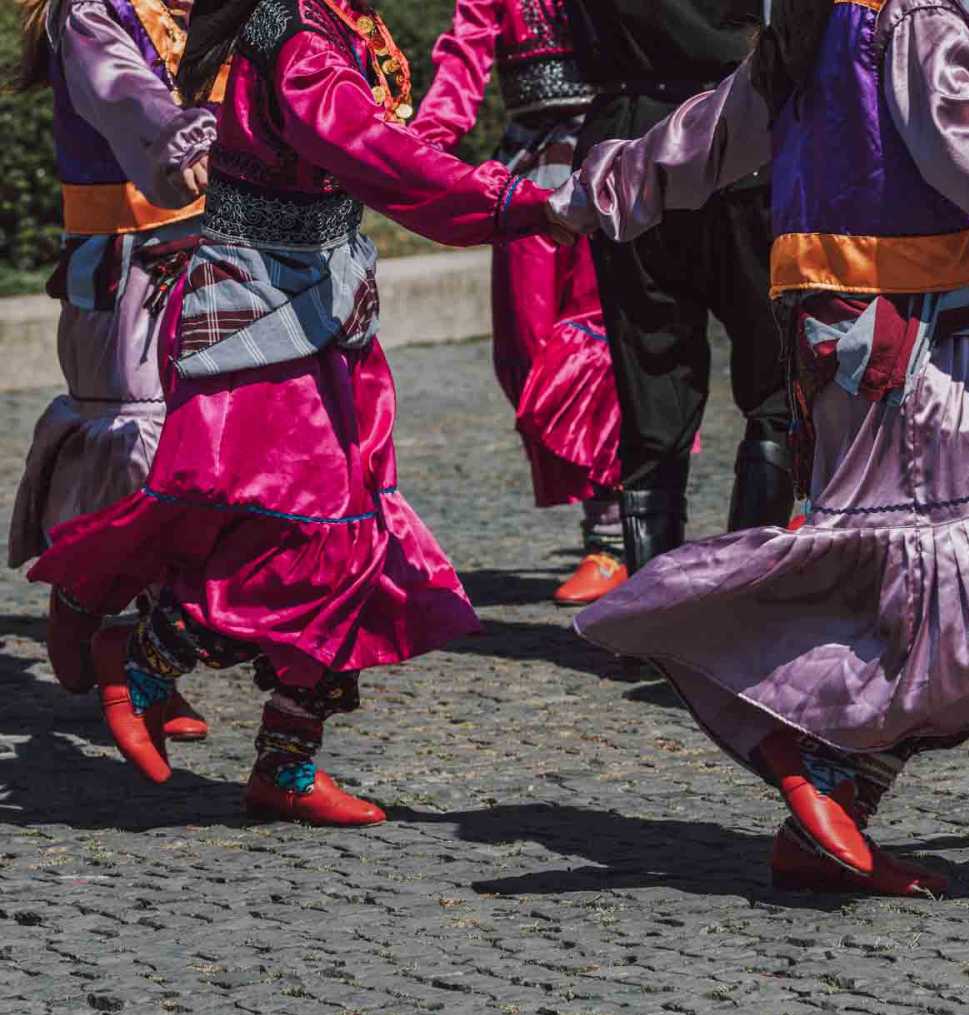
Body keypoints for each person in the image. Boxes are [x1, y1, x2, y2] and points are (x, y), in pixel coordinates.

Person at [550, 0, 969, 896]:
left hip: (871, 333)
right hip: (912, 337)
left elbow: (713, 132)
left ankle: (835, 799)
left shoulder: (821, 16)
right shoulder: (903, 19)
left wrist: (592, 191)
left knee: (941, 578)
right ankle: (799, 739)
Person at [27, 0, 568, 825]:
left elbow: (396, 145)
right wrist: (515, 203)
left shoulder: (338, 20)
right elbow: (368, 149)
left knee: (352, 534)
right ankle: (142, 649)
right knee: (296, 525)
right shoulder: (289, 27)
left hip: (328, 298)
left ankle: (284, 759)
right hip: (256, 314)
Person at [9, 0, 215, 741]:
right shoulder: (93, 11)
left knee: (204, 453)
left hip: (220, 260)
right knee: (134, 445)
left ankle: (149, 661)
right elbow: (125, 93)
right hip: (126, 269)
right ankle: (87, 602)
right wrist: (183, 137)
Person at [566, 0, 795, 581]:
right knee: (774, 384)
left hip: (633, 136)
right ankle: (744, 598)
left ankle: (655, 604)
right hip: (738, 131)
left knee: (652, 381)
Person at [409, 0, 628, 606]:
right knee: (531, 346)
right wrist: (422, 149)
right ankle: (617, 525)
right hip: (528, 169)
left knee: (604, 343)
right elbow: (463, 59)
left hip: (613, 155)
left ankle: (619, 535)